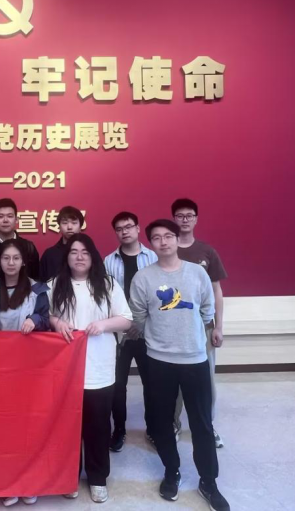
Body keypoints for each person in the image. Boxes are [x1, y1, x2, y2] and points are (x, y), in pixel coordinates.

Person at [129, 220, 229, 510]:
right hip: (159, 361)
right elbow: (138, 316)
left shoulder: (197, 273)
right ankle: (171, 472)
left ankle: (208, 482)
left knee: (202, 424)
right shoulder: (143, 278)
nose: (163, 242)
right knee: (162, 422)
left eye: (168, 236)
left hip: (195, 359)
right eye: (157, 238)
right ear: (151, 243)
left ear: (177, 239)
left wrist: (192, 334)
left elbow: (207, 310)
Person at [48, 234, 132, 504]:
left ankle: (98, 478)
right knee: (67, 428)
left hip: (99, 368)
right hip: (65, 370)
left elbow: (126, 319)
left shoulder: (108, 284)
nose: (79, 257)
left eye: (85, 252)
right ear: (67, 257)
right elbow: (46, 314)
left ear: (93, 256)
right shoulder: (55, 284)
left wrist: (104, 325)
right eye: (74, 252)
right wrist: (57, 323)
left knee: (97, 426)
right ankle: (69, 476)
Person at [0, 239, 49, 506]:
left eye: (16, 258)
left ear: (24, 262)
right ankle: (5, 482)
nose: (11, 263)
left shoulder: (38, 289)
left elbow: (47, 319)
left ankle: (27, 484)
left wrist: (35, 320)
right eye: (6, 258)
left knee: (26, 428)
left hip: (27, 370)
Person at [172, 198, 228, 448]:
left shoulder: (207, 252)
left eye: (189, 215)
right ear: (173, 218)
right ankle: (174, 423)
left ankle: (207, 425)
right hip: (172, 328)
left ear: (196, 219)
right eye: (180, 215)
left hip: (202, 327)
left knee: (206, 380)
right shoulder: (166, 249)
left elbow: (217, 291)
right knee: (173, 382)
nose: (185, 219)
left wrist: (218, 326)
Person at [103, 211, 158, 452]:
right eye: (119, 229)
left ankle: (153, 429)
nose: (124, 231)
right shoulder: (108, 261)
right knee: (118, 386)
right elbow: (106, 298)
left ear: (137, 228)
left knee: (152, 384)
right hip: (120, 335)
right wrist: (124, 325)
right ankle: (119, 430)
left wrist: (140, 324)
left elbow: (158, 294)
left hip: (149, 333)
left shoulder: (153, 257)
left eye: (128, 227)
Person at [0, 198, 40, 281]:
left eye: (10, 216)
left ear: (16, 219)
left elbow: (36, 280)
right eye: (0, 216)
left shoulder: (28, 247)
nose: (5, 220)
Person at [39, 206, 84, 282]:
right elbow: (41, 284)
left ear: (80, 227)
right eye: (65, 223)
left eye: (74, 223)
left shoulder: (89, 253)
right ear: (59, 226)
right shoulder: (49, 255)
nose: (69, 227)